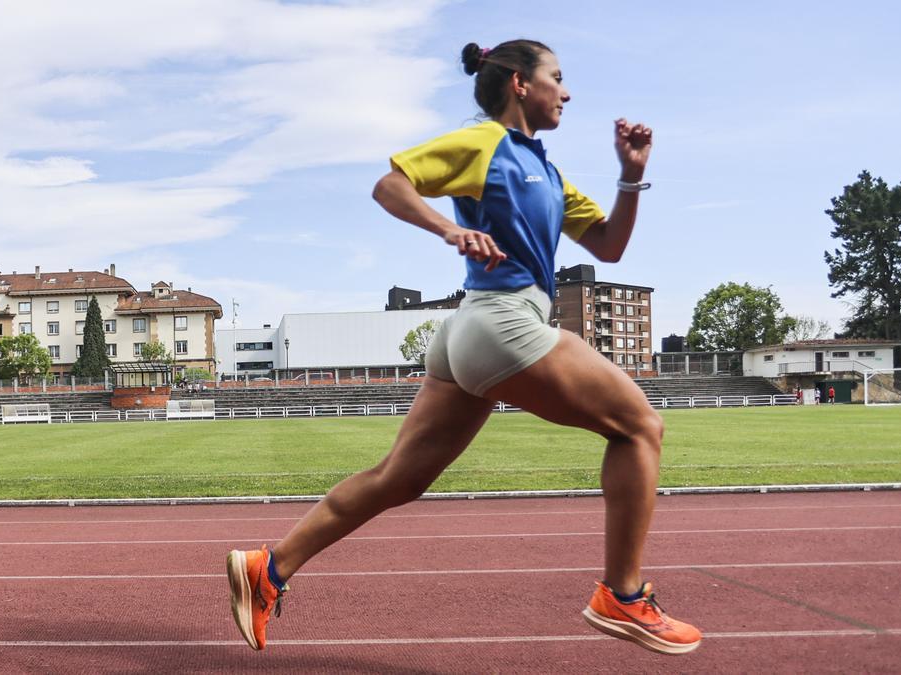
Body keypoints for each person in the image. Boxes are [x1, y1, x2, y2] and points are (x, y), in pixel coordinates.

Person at [226, 39, 701, 656]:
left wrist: (631, 175)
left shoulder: (550, 175)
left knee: (398, 478)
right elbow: (390, 185)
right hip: (502, 320)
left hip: (470, 335)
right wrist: (451, 228)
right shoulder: (483, 144)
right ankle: (624, 595)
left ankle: (270, 568)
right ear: (520, 85)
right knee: (640, 427)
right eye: (558, 77)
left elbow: (608, 246)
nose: (568, 90)